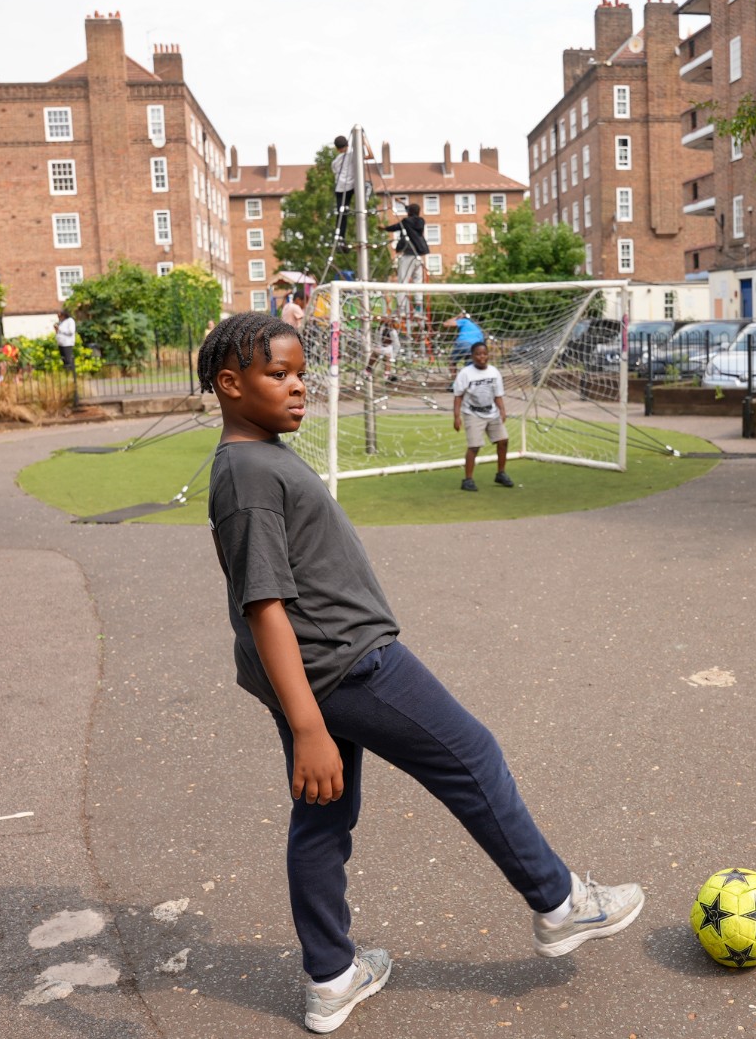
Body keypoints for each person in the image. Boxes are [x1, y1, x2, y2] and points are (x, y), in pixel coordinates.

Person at [197, 312, 642, 1033]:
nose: (299, 386)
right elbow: (264, 606)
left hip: (319, 669)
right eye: (277, 374)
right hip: (349, 665)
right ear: (229, 384)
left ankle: (331, 975)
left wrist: (307, 715)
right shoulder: (248, 473)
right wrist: (308, 723)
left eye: (301, 372)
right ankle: (559, 903)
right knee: (473, 756)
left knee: (323, 816)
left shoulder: (260, 456)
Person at [452, 341, 513, 492]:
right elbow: (458, 396)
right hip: (473, 413)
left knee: (503, 441)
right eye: (478, 354)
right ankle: (467, 479)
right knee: (474, 446)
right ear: (472, 356)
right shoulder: (466, 373)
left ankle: (501, 473)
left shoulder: (494, 372)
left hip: (491, 412)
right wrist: (456, 416)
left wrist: (502, 410)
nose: (482, 357)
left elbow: (498, 394)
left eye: (484, 354)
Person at [381, 203, 428, 318]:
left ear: (409, 213)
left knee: (403, 282)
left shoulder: (406, 222)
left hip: (408, 254)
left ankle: (401, 309)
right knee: (418, 283)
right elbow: (413, 214)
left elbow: (395, 227)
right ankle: (418, 309)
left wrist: (384, 228)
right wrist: (406, 207)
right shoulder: (421, 221)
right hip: (418, 255)